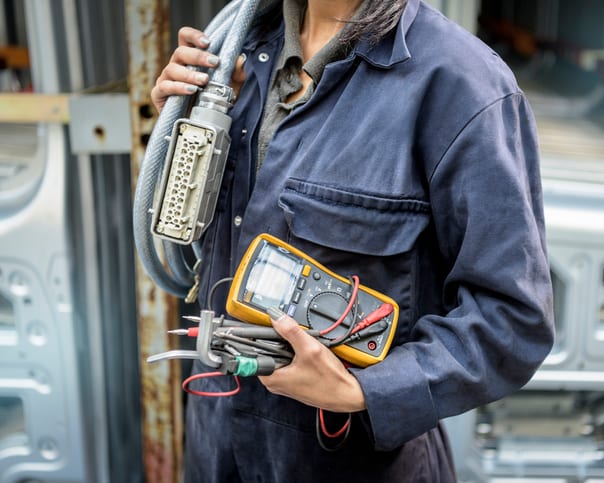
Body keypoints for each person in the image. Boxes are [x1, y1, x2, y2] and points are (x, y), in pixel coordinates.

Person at [151, 0, 554, 481]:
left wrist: (364, 391)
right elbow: (198, 240)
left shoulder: (461, 84)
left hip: (346, 461)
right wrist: (184, 126)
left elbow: (511, 320)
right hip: (216, 449)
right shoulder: (236, 54)